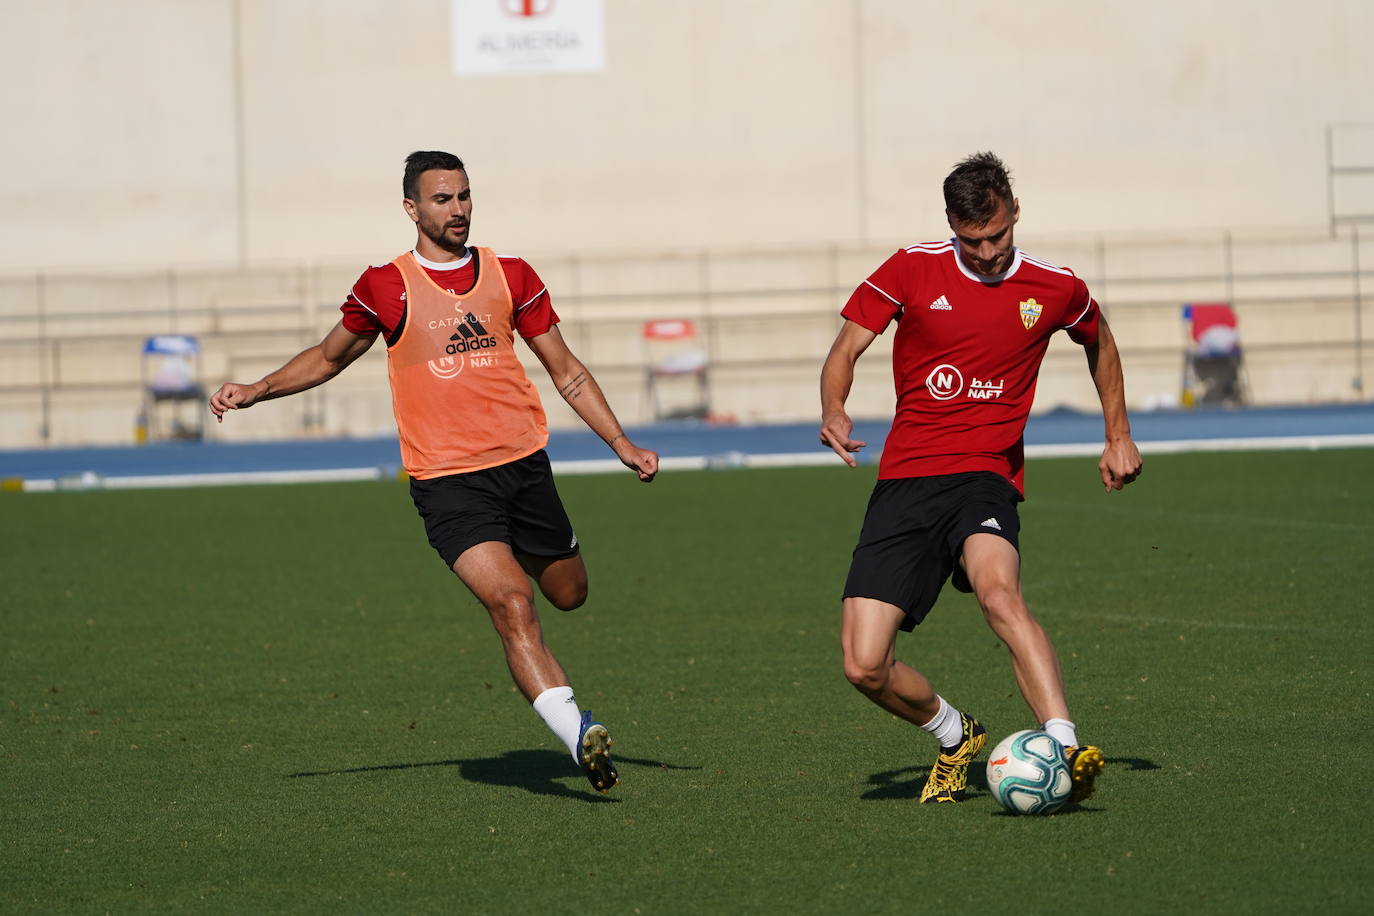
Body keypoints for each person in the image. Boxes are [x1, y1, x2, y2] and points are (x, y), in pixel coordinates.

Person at [209, 150, 658, 794]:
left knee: (569, 592)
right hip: (447, 482)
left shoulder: (512, 275)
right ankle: (578, 733)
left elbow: (569, 372)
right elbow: (328, 357)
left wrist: (622, 443)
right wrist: (257, 389)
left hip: (525, 468)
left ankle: (565, 687)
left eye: (464, 197)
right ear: (412, 208)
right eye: (443, 199)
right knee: (512, 603)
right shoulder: (386, 286)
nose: (458, 210)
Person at [818, 152, 1142, 805]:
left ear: (1015, 212)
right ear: (951, 225)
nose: (989, 251)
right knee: (863, 665)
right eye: (973, 241)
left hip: (985, 476)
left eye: (997, 235)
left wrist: (1117, 434)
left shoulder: (1055, 287)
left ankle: (1066, 747)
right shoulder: (912, 267)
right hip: (907, 479)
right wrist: (833, 407)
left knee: (1000, 596)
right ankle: (953, 732)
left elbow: (1098, 339)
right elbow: (846, 347)